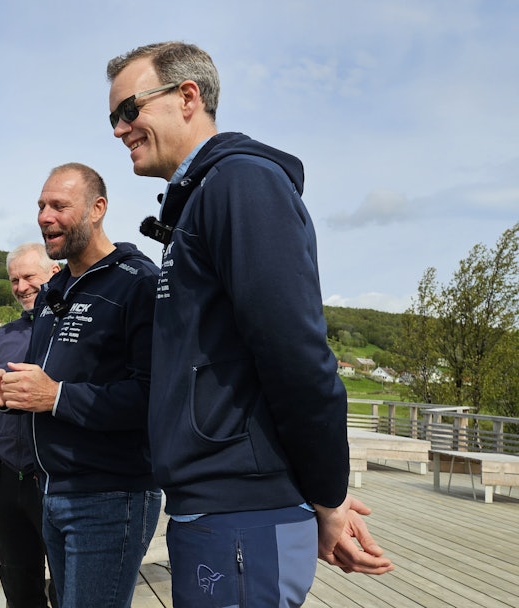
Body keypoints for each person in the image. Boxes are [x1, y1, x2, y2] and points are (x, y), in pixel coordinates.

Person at [105, 42, 394, 606]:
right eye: (112, 117)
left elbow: (296, 353)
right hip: (216, 509)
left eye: (129, 110)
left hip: (242, 511)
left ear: (188, 97)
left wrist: (328, 497)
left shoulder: (241, 184)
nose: (119, 129)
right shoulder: (198, 200)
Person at [0, 163, 162, 608]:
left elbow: (154, 397)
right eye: (40, 205)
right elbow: (45, 382)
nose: (44, 216)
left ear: (98, 209)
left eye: (59, 205)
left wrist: (54, 396)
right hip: (51, 488)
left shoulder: (138, 283)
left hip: (111, 495)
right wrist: (8, 394)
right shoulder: (57, 291)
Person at [0, 243, 60, 608]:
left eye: (29, 277)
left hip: (54, 477)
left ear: (54, 273)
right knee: (18, 583)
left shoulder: (71, 329)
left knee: (66, 582)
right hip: (8, 476)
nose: (22, 286)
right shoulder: (5, 336)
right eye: (14, 279)